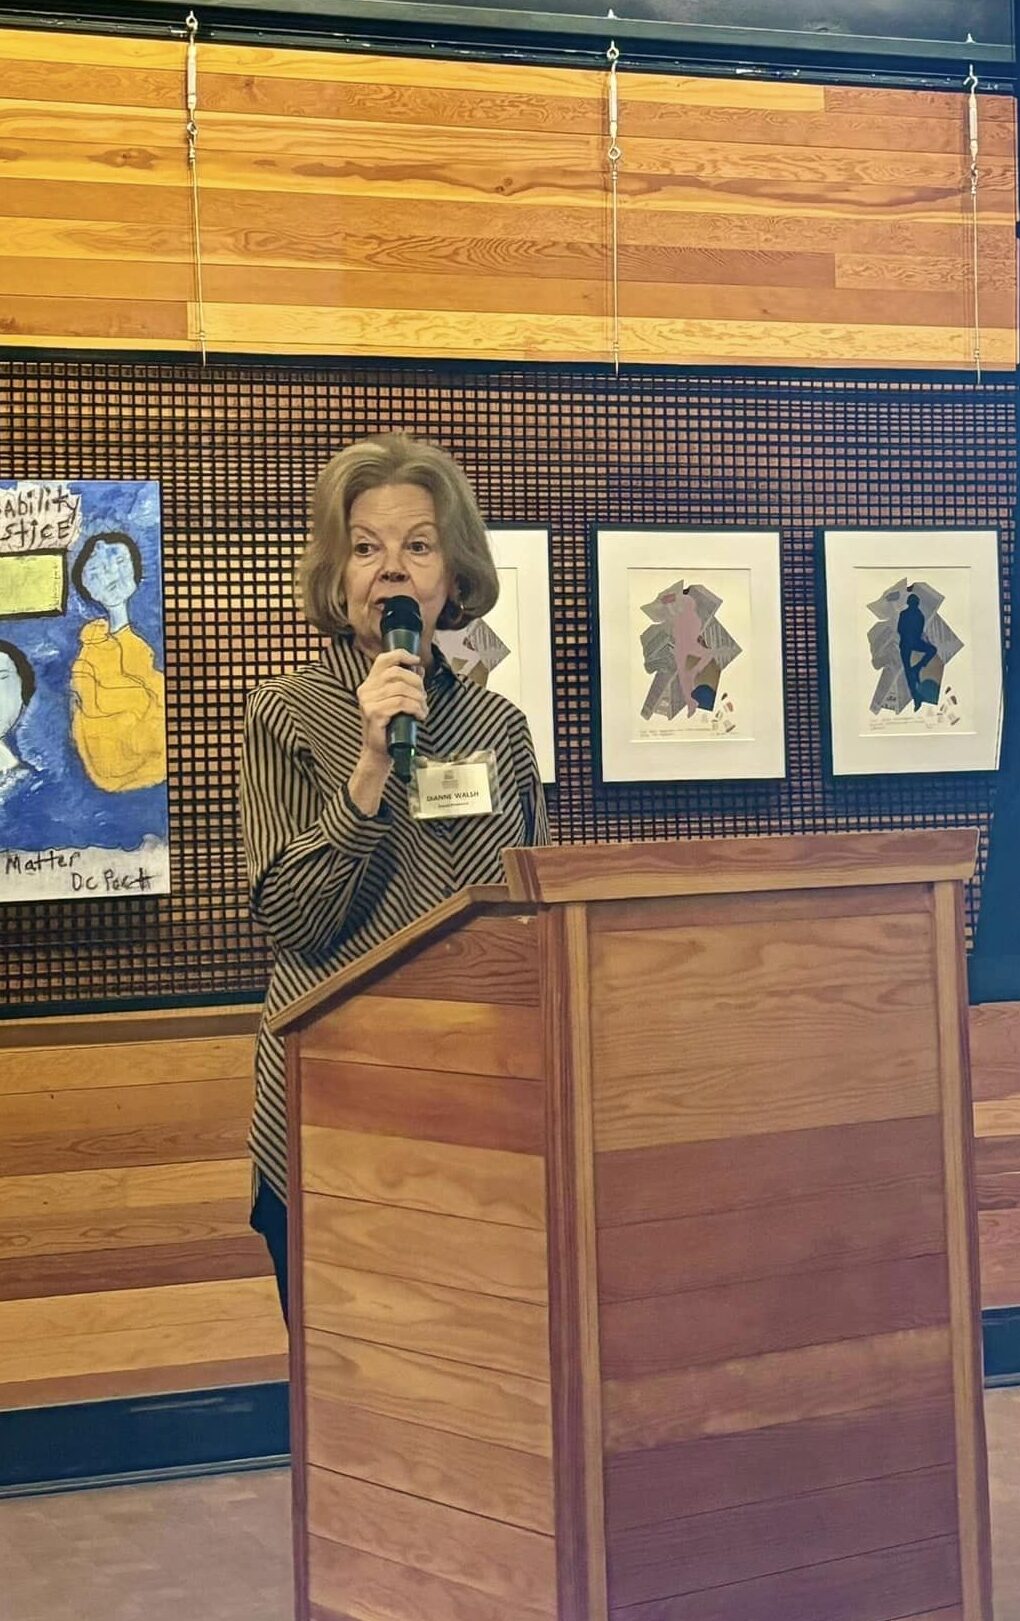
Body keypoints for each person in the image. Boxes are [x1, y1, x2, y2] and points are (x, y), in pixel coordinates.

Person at [240, 434, 549, 1318]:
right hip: (337, 1098)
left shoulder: (499, 724)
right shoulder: (285, 713)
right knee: (351, 1369)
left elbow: (536, 912)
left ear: (453, 572)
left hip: (481, 1102)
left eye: (417, 544)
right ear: (337, 574)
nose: (391, 569)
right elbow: (292, 920)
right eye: (365, 547)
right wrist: (371, 766)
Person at [69, 531, 167, 791]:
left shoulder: (150, 641)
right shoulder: (90, 653)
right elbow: (90, 712)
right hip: (114, 767)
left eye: (121, 562)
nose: (111, 574)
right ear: (86, 586)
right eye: (96, 571)